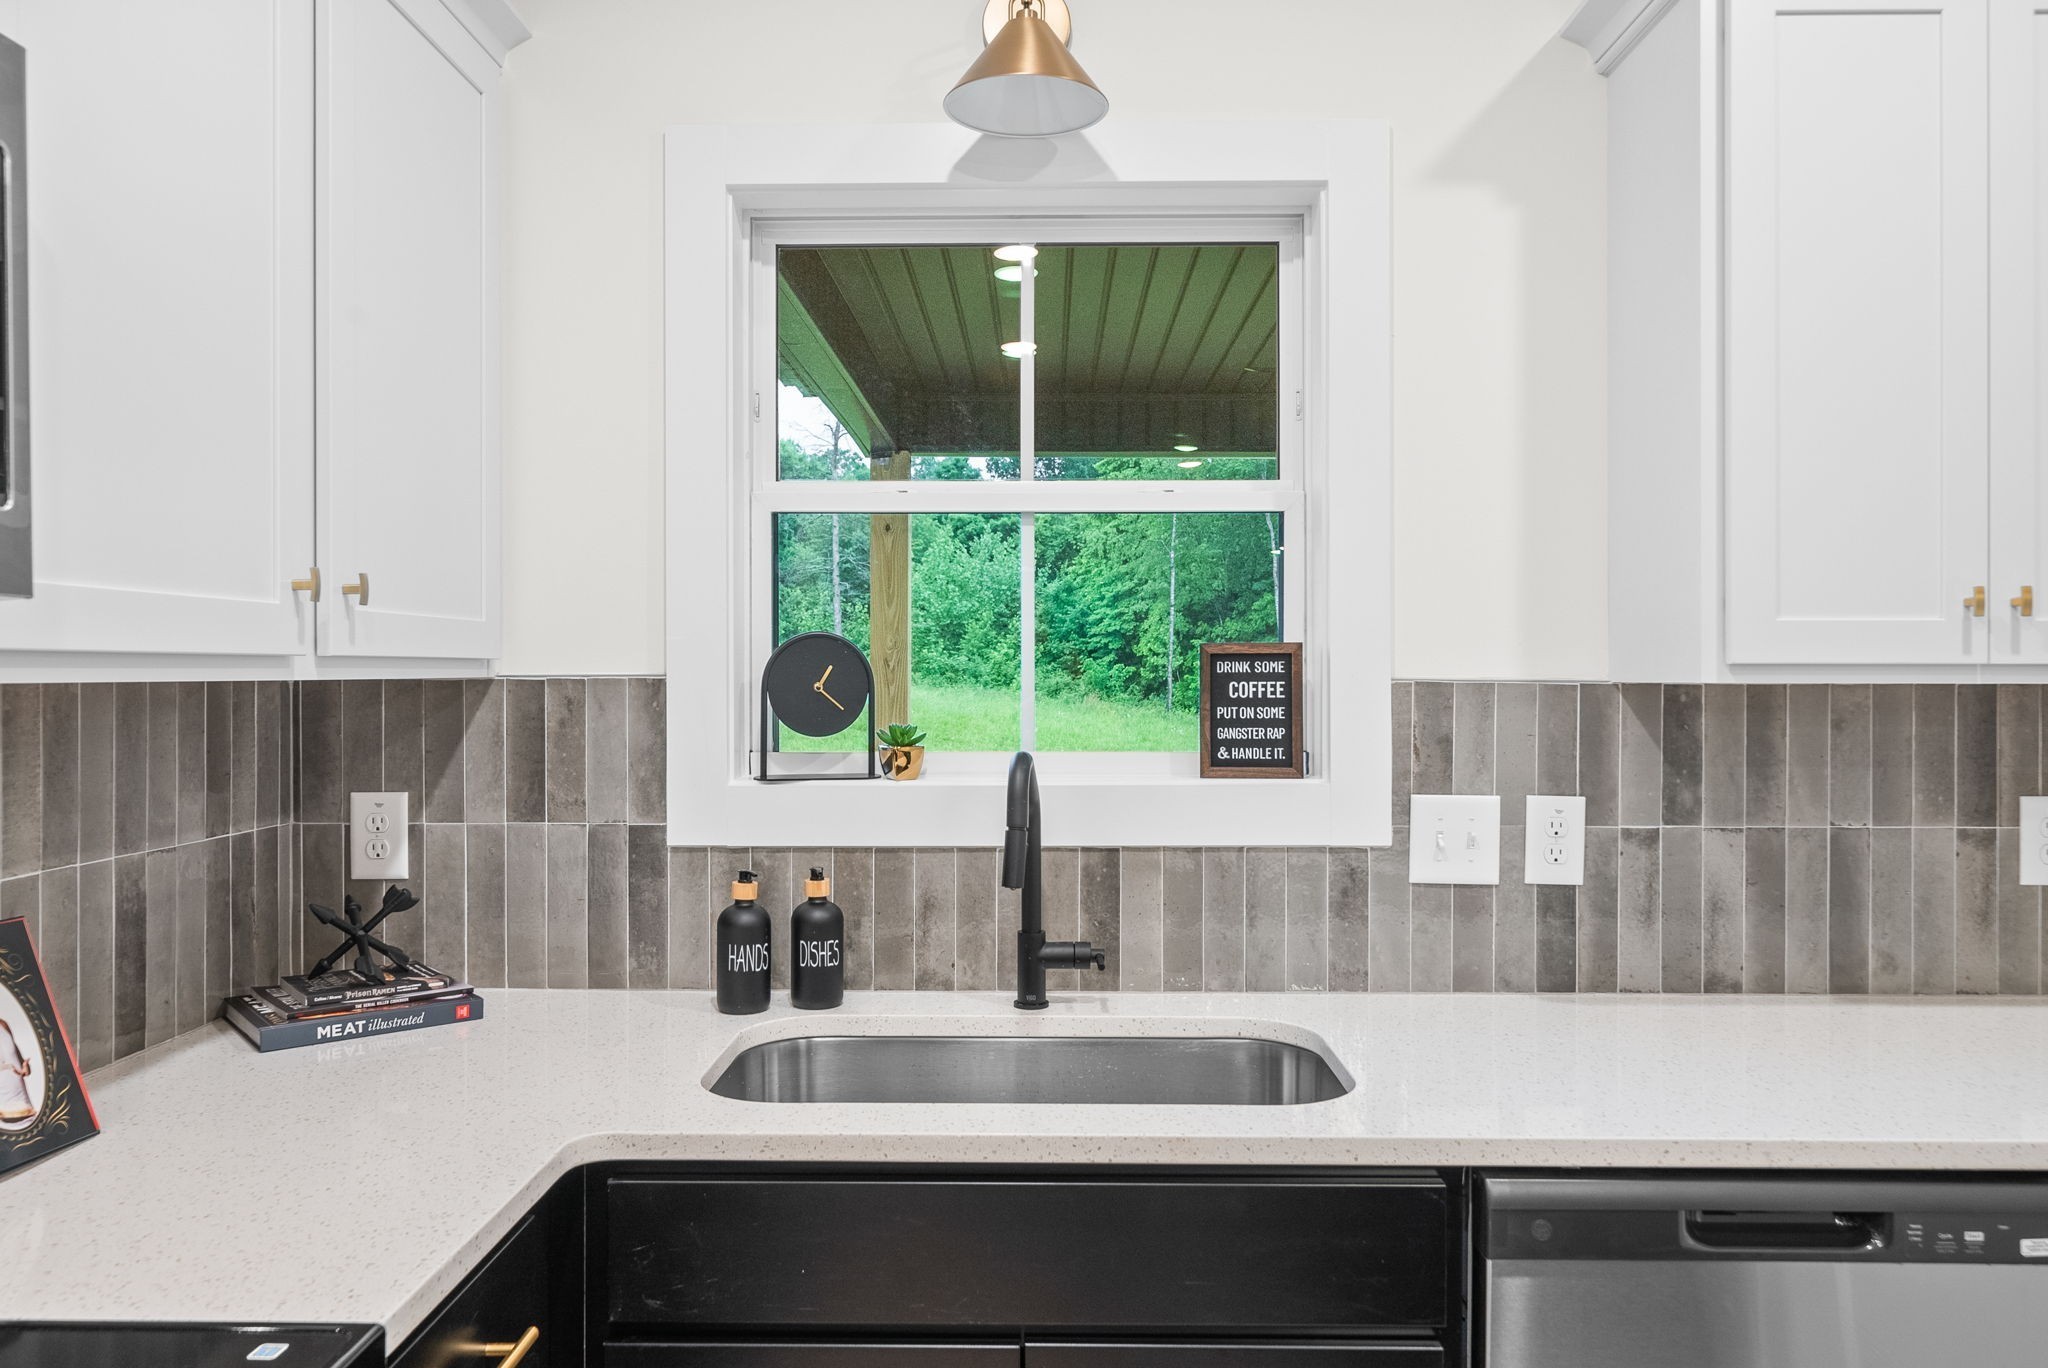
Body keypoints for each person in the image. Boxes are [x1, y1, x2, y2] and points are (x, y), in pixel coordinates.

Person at [0, 1014, 34, 1123]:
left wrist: (25, 1068)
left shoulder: (3, 1025)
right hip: (4, 1106)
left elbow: (20, 1061)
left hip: (24, 1102)